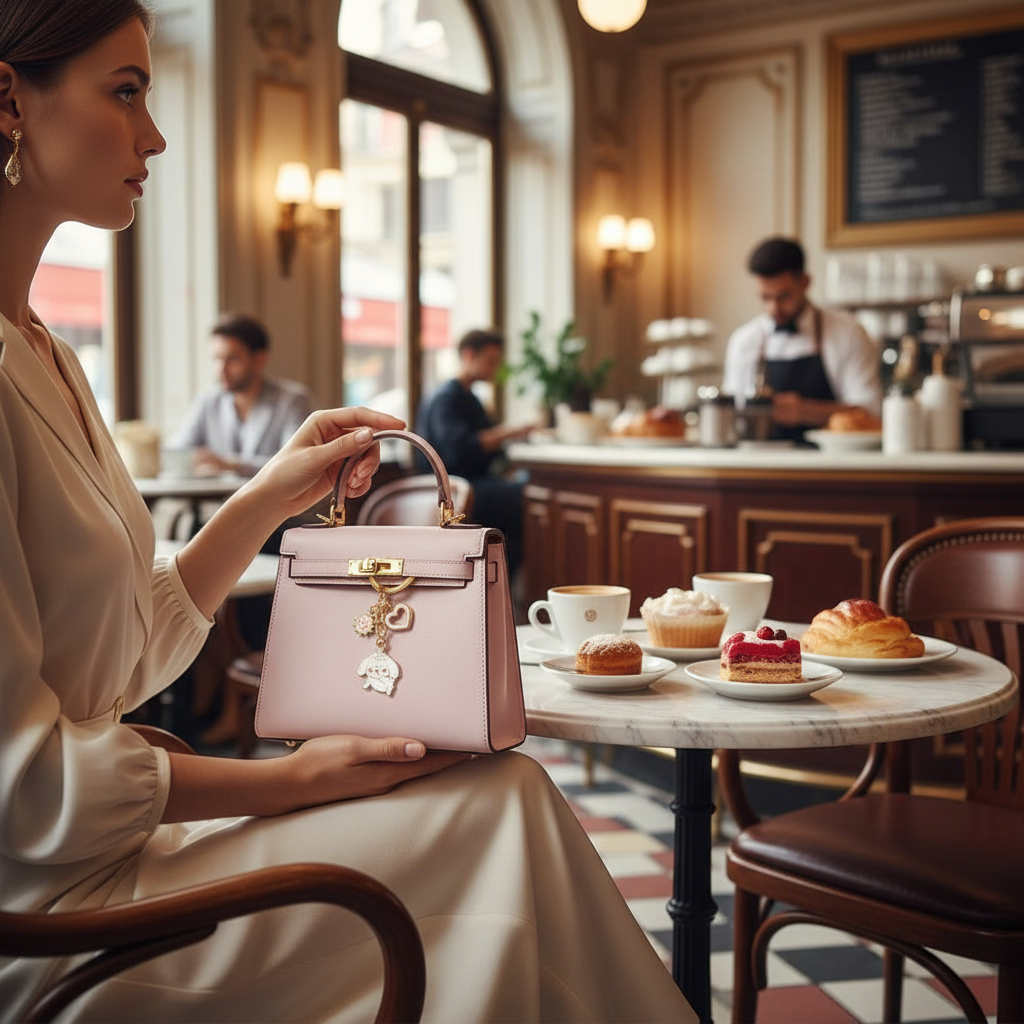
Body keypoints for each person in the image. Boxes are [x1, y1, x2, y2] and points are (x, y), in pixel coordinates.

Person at [0, 4, 696, 1022]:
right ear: (8, 97)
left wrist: (271, 492)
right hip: (58, 921)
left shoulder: (48, 353)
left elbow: (125, 653)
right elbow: (20, 788)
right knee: (501, 815)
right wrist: (297, 779)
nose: (153, 135)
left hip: (118, 855)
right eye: (125, 90)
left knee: (507, 800)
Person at [722, 236, 882, 440]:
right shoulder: (744, 341)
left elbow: (871, 412)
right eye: (765, 298)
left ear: (805, 283)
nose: (774, 308)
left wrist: (807, 411)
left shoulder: (847, 332)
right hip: (760, 463)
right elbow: (731, 414)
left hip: (831, 465)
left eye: (784, 296)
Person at [416, 329, 535, 572]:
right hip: (454, 489)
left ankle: (499, 580)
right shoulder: (446, 398)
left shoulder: (470, 399)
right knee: (530, 497)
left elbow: (488, 449)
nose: (494, 368)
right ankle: (500, 581)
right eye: (490, 361)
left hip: (474, 481)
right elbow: (459, 448)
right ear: (469, 355)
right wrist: (510, 431)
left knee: (529, 487)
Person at [173, 313, 315, 477]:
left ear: (259, 359)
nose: (221, 369)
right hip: (216, 502)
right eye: (217, 359)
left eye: (232, 359)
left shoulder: (292, 401)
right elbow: (179, 450)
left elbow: (294, 461)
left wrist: (231, 465)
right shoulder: (208, 400)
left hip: (274, 501)